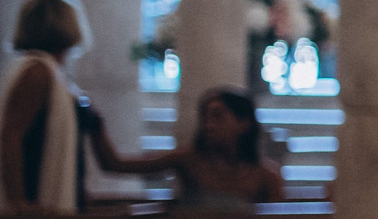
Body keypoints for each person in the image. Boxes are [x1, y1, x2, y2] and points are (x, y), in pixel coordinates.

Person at [91, 86, 287, 207]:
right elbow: (115, 164)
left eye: (218, 117)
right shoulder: (189, 160)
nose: (207, 125)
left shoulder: (266, 176)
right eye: (205, 117)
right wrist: (94, 124)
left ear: (244, 123)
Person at [0, 0, 102, 213]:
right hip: (34, 198)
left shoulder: (53, 73)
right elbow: (11, 135)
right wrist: (17, 201)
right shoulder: (37, 71)